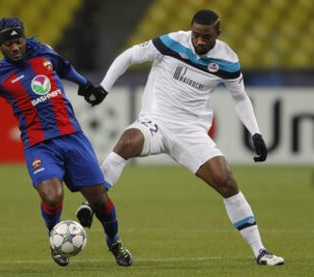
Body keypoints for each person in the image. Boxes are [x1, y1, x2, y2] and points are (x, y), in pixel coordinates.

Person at [76, 9, 284, 266]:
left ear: (217, 34)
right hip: (155, 121)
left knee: (226, 181)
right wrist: (104, 88)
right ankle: (92, 201)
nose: (199, 41)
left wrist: (256, 132)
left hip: (190, 131)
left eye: (206, 37)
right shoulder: (173, 42)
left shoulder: (228, 60)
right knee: (127, 142)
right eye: (196, 35)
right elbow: (130, 55)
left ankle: (260, 251)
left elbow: (240, 97)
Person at [0, 17, 132, 267]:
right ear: (0, 46)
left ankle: (114, 242)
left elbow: (64, 67)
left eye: (18, 41)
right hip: (40, 145)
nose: (15, 48)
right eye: (8, 44)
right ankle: (55, 239)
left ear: (24, 38)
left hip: (72, 137)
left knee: (98, 199)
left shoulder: (43, 51)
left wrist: (86, 85)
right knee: (52, 196)